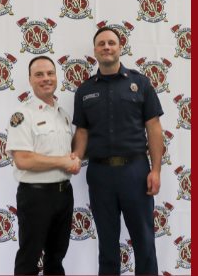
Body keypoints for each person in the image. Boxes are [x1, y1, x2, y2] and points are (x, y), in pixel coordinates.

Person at [72, 26, 164, 275]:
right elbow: (81, 132)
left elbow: (154, 129)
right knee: (108, 245)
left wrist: (155, 170)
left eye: (111, 43)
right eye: (101, 44)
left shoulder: (140, 83)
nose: (106, 47)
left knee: (144, 242)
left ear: (120, 48)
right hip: (100, 174)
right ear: (95, 51)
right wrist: (76, 159)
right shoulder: (84, 90)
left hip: (135, 172)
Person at [7, 56, 81, 275]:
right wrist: (63, 161)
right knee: (29, 260)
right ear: (30, 80)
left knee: (56, 259)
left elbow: (69, 153)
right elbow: (23, 160)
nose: (45, 79)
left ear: (56, 77)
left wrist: (75, 159)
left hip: (64, 195)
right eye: (39, 74)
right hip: (36, 197)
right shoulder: (23, 115)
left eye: (50, 73)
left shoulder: (64, 117)